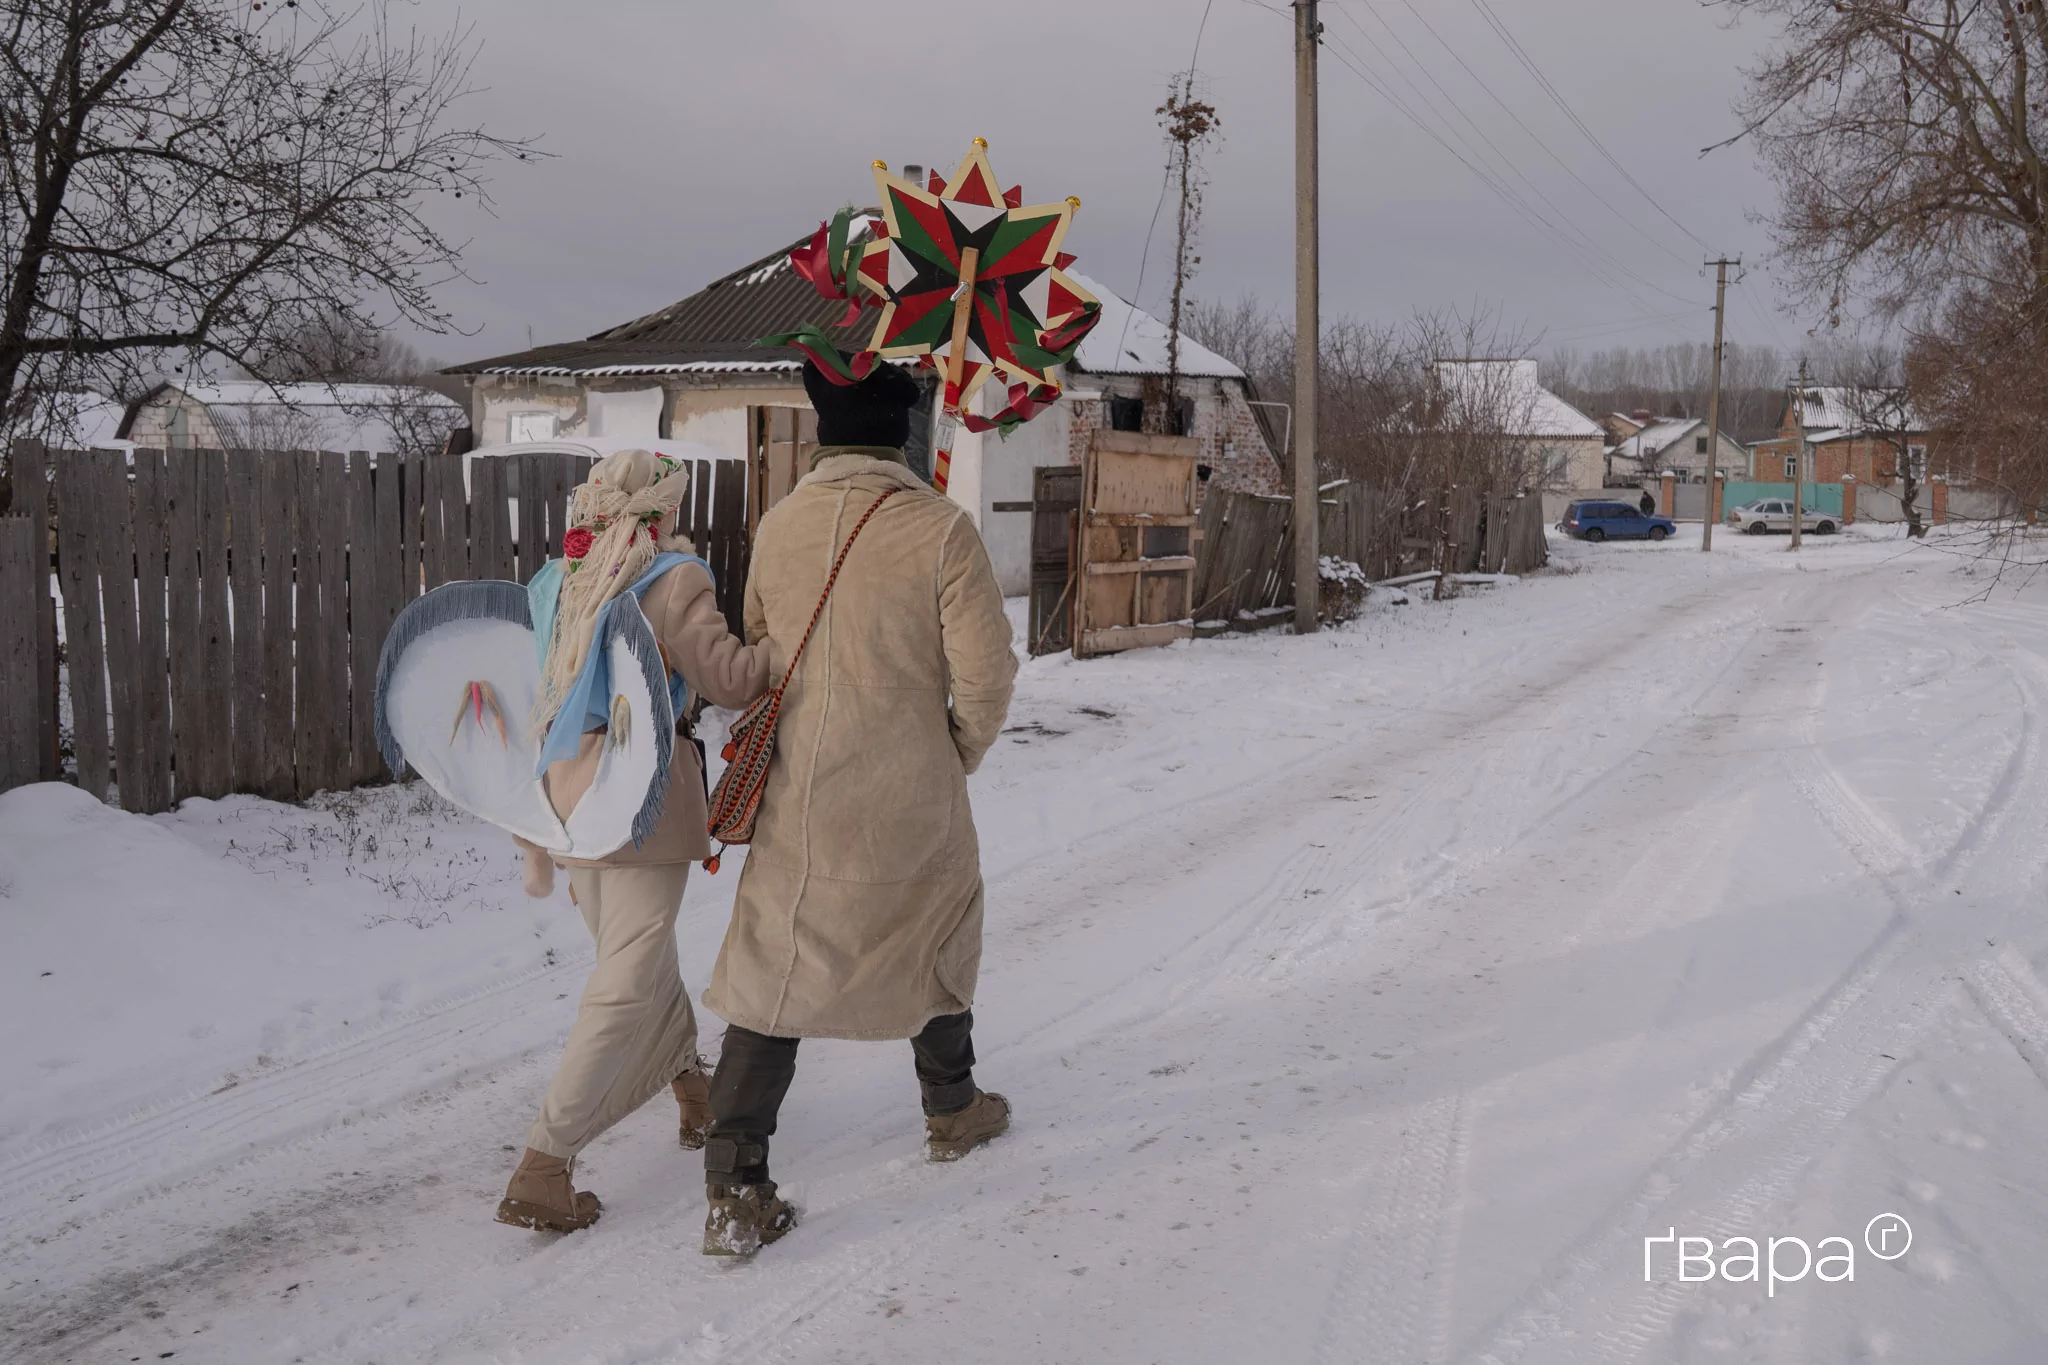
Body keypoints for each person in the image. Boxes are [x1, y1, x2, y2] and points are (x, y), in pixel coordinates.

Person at [697, 361, 1019, 1256]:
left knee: (774, 969)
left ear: (825, 431)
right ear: (897, 435)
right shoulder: (942, 530)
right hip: (910, 792)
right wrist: (953, 751)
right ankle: (952, 1107)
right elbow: (988, 677)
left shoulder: (782, 525)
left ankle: (735, 1183)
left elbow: (763, 649)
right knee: (938, 928)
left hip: (802, 790)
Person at [495, 448, 769, 1234]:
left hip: (568, 800)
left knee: (639, 956)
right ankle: (545, 1162)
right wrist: (783, 650)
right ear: (661, 511)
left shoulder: (560, 578)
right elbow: (729, 678)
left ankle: (694, 1095)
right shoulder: (673, 578)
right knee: (624, 981)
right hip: (642, 795)